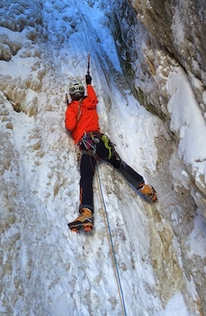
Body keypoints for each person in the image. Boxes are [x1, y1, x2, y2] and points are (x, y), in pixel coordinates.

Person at [65, 70, 157, 232]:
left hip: (87, 145)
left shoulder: (72, 108)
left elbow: (69, 126)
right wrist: (89, 83)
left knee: (86, 176)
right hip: (102, 142)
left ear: (72, 94)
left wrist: (71, 110)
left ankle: (86, 212)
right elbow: (93, 98)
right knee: (119, 164)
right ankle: (145, 188)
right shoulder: (90, 103)